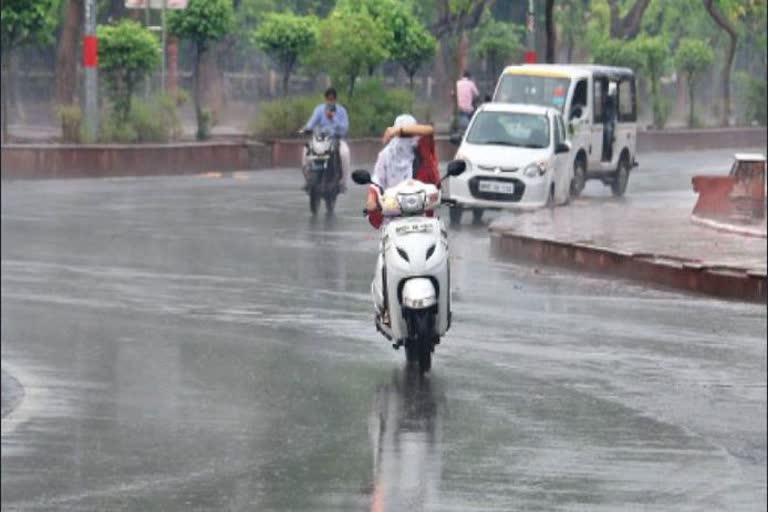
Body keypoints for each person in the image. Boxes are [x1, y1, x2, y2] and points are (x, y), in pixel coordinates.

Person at [365, 115, 438, 229]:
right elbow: (377, 182)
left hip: (424, 219)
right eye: (401, 136)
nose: (405, 140)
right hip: (393, 220)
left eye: (408, 135)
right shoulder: (385, 156)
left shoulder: (422, 152)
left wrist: (399, 130)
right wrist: (371, 200)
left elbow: (429, 130)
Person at [302, 87, 351, 191]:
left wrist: (333, 118)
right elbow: (312, 122)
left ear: (335, 100)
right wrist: (306, 128)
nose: (330, 102)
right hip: (320, 139)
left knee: (345, 153)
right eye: (328, 99)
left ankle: (343, 183)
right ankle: (308, 179)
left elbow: (344, 129)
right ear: (325, 99)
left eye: (332, 99)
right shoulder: (319, 110)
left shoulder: (341, 111)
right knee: (306, 150)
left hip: (336, 139)